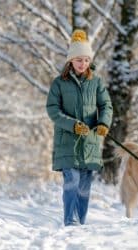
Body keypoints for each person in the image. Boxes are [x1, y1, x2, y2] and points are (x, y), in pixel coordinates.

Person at [46, 29, 113, 226]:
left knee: (84, 188)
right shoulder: (59, 83)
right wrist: (73, 125)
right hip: (67, 143)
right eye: (78, 60)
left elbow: (106, 105)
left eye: (85, 60)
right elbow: (53, 110)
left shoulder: (96, 82)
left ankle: (80, 223)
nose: (82, 64)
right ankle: (70, 221)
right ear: (70, 61)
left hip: (90, 143)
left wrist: (103, 124)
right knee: (71, 183)